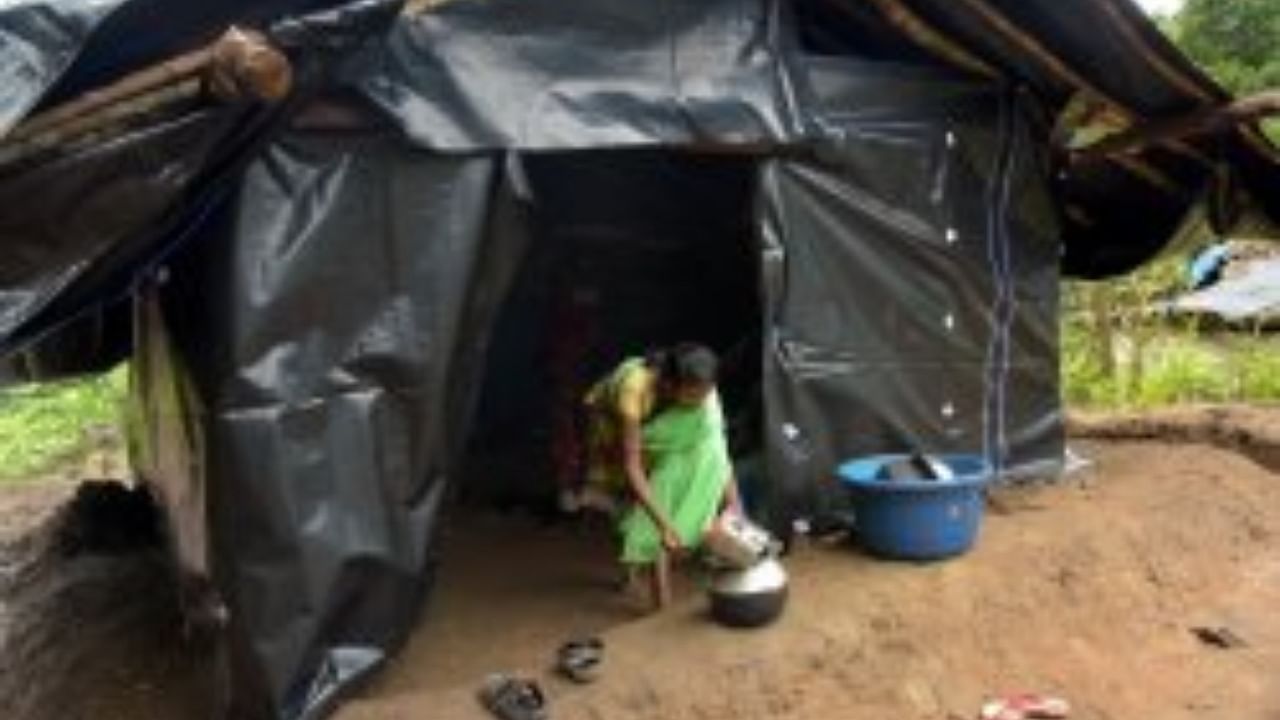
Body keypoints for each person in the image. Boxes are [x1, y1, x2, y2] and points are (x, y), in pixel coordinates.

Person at [580, 343, 741, 611]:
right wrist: (664, 525)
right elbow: (633, 467)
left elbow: (715, 448)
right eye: (695, 396)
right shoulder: (633, 394)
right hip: (614, 427)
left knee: (659, 490)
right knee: (635, 500)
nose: (702, 402)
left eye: (707, 393)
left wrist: (733, 504)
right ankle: (652, 596)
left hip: (657, 425)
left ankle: (644, 575)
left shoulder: (701, 391)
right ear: (669, 385)